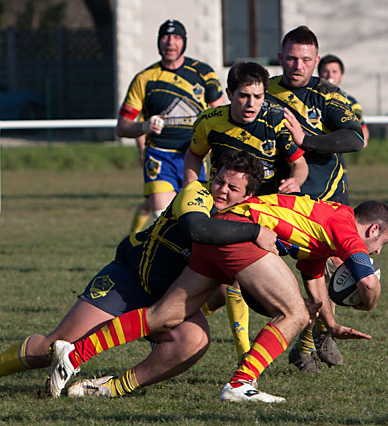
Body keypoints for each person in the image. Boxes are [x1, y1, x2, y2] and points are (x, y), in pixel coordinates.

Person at [0, 151, 276, 401]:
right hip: (129, 279)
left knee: (195, 341)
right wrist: (254, 232)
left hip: (169, 299)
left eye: (233, 188)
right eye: (220, 180)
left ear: (248, 196)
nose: (221, 190)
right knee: (55, 346)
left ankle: (107, 388)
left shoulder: (245, 221)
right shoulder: (197, 193)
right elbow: (196, 228)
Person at [48, 197, 388, 403]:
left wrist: (331, 325)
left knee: (163, 315)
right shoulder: (346, 223)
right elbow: (367, 282)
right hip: (243, 235)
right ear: (373, 230)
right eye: (384, 244)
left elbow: (314, 276)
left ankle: (75, 355)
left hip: (222, 232)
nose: (380, 251)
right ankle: (241, 384)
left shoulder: (326, 227)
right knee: (292, 313)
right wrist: (370, 303)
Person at [231, 26, 367, 373]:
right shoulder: (263, 91)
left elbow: (355, 139)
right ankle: (308, 331)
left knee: (327, 271)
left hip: (326, 199)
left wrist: (306, 138)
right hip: (279, 200)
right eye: (291, 57)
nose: (298, 65)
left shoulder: (328, 95)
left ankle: (314, 340)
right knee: (269, 275)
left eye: (306, 59)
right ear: (280, 58)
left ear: (316, 61)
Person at [117, 19, 224, 226]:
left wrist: (215, 144)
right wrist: (144, 126)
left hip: (194, 156)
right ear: (158, 42)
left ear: (184, 42)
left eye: (176, 38)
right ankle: (136, 246)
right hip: (159, 156)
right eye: (165, 37)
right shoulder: (144, 79)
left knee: (192, 217)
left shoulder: (203, 73)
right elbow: (122, 127)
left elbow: (220, 114)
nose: (170, 43)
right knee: (162, 218)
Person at [183, 61, 308, 195]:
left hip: (264, 202)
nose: (251, 103)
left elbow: (299, 164)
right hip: (222, 199)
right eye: (244, 96)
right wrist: (191, 186)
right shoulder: (209, 121)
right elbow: (194, 155)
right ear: (229, 94)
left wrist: (294, 181)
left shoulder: (277, 120)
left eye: (258, 96)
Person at [318, 54, 370, 147]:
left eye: (334, 71)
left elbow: (363, 131)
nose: (330, 75)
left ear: (341, 75)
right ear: (319, 74)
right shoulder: (310, 96)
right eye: (326, 71)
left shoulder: (350, 101)